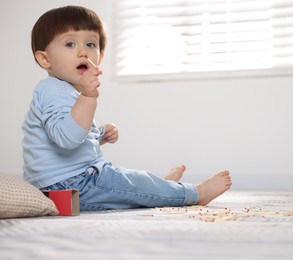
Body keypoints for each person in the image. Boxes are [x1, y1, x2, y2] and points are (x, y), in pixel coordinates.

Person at [22, 5, 232, 211]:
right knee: (129, 182)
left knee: (129, 183)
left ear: (100, 57)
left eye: (90, 44)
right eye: (69, 44)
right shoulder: (54, 91)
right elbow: (66, 139)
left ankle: (162, 189)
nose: (83, 52)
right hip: (70, 185)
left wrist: (97, 136)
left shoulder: (60, 90)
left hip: (65, 182)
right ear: (45, 58)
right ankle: (194, 193)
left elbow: (70, 136)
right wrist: (88, 96)